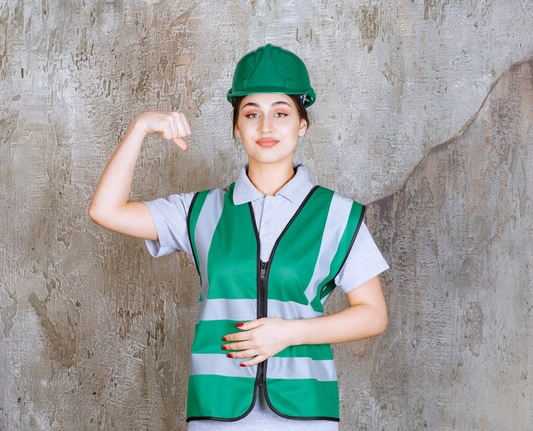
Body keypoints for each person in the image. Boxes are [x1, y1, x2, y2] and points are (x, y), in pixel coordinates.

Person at [89, 44, 389, 431]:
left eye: (281, 113)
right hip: (217, 413)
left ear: (302, 124)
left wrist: (288, 333)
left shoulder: (338, 215)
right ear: (236, 126)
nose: (266, 127)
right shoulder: (199, 212)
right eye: (252, 114)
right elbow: (105, 210)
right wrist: (142, 126)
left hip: (305, 414)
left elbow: (373, 314)